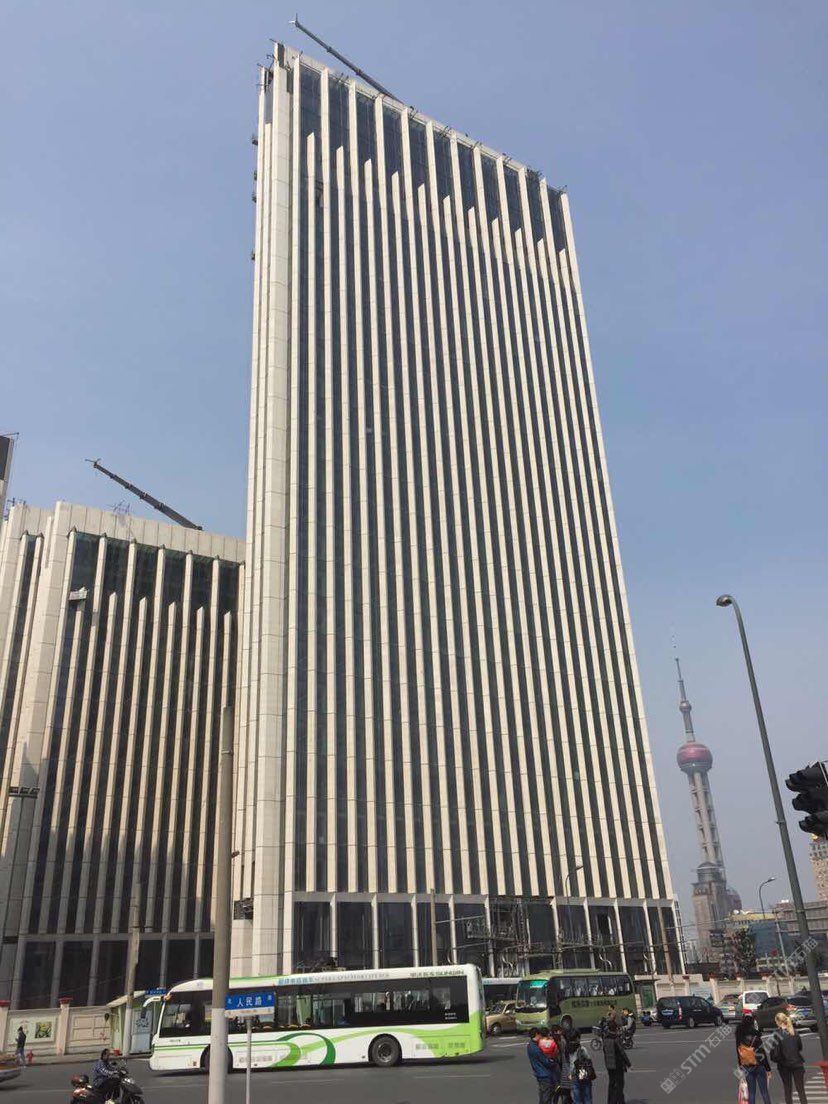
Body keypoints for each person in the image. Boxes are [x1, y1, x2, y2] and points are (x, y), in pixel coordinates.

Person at [771, 1012, 806, 1104]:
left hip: (784, 1065)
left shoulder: (777, 1034)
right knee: (801, 1089)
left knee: (787, 1089)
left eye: (776, 1021)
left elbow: (775, 1053)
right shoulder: (794, 1032)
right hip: (797, 1063)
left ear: (778, 1022)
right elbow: (800, 1047)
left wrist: (776, 1059)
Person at [735, 1015, 772, 1104]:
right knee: (764, 1092)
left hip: (746, 1066)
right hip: (759, 1065)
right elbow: (762, 1054)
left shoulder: (739, 1037)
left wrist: (740, 1065)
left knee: (751, 1093)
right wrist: (768, 1068)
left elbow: (738, 1052)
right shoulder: (756, 1037)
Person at [527, 1026, 561, 1104]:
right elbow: (546, 1061)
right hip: (544, 1074)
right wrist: (553, 1062)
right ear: (536, 1034)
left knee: (542, 1095)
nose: (541, 1036)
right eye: (540, 1034)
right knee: (546, 1096)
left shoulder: (530, 1045)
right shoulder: (535, 1048)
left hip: (538, 1073)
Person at [602, 1021, 631, 1104]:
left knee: (612, 1083)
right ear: (615, 1028)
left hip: (609, 1065)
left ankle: (611, 1101)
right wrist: (628, 1063)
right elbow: (622, 1052)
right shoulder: (616, 1038)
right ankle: (620, 1101)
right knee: (619, 1084)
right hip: (617, 1064)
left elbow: (604, 1051)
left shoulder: (605, 1038)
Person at [570, 1031, 597, 1104]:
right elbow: (589, 1060)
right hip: (583, 1074)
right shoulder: (582, 1049)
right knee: (587, 1097)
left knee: (577, 1099)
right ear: (577, 1038)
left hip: (574, 1075)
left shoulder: (567, 1050)